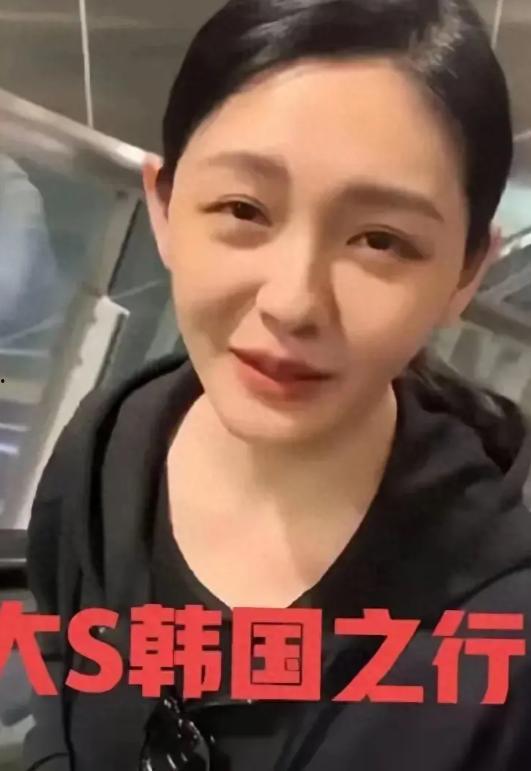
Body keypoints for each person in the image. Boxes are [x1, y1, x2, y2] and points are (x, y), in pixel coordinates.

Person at [22, 0, 531, 769]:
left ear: (465, 273)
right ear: (164, 208)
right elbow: (59, 708)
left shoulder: (501, 630)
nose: (292, 302)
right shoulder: (111, 444)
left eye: (380, 240)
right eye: (243, 208)